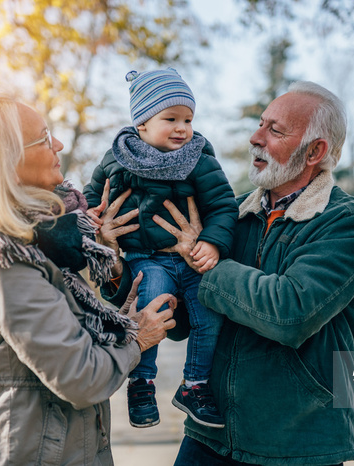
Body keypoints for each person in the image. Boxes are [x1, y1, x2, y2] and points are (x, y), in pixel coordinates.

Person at [103, 81, 354, 465]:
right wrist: (116, 264)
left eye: (275, 130)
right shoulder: (229, 217)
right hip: (209, 434)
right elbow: (181, 322)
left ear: (315, 151)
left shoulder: (349, 223)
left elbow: (291, 313)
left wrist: (207, 265)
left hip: (298, 444)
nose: (256, 138)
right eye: (260, 124)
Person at [0, 88, 177, 465]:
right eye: (45, 138)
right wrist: (137, 339)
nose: (59, 144)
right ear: (8, 161)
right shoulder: (5, 261)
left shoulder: (33, 244)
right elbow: (82, 378)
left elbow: (65, 343)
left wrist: (119, 322)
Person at [83, 68, 239, 429]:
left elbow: (222, 206)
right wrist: (90, 215)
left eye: (188, 119)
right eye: (170, 118)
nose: (183, 128)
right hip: (146, 258)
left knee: (209, 312)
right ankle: (142, 382)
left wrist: (213, 243)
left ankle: (195, 385)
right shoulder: (117, 158)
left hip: (191, 260)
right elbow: (92, 199)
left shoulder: (199, 159)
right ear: (141, 124)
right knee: (151, 302)